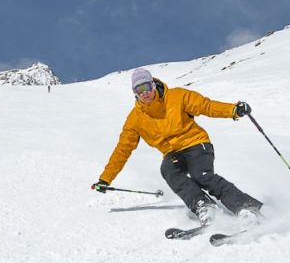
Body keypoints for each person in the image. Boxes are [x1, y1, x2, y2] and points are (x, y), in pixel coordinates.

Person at [92, 68, 261, 225]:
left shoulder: (177, 96)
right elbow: (122, 150)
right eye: (139, 90)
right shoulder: (135, 119)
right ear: (134, 93)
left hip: (195, 142)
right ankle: (203, 205)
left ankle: (245, 207)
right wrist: (105, 179)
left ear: (153, 84)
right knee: (169, 170)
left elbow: (206, 106)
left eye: (147, 87)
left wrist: (233, 110)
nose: (145, 93)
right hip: (173, 153)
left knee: (201, 175)